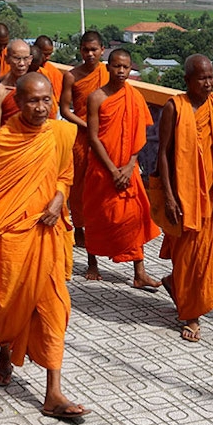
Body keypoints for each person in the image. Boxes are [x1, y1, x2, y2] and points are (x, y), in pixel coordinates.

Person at [0, 73, 84, 420]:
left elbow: (65, 175)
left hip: (47, 235)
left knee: (54, 309)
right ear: (19, 103)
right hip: (11, 239)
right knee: (7, 306)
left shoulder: (60, 133)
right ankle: (5, 354)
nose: (41, 107)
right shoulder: (4, 140)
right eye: (33, 101)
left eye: (46, 100)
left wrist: (59, 198)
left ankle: (53, 392)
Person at [157, 54, 213, 343]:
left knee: (207, 258)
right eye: (201, 78)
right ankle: (191, 314)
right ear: (187, 80)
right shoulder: (175, 108)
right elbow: (163, 155)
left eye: (211, 77)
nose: (208, 83)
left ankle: (176, 286)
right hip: (186, 196)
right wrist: (169, 197)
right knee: (189, 256)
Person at [83, 49, 162, 288]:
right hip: (102, 168)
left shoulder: (134, 97)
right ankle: (92, 262)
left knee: (134, 216)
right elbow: (93, 137)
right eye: (116, 66)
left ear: (130, 69)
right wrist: (112, 170)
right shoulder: (96, 97)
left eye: (125, 67)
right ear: (108, 67)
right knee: (97, 215)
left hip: (128, 169)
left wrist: (129, 166)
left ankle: (139, 272)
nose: (121, 71)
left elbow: (139, 136)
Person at [60, 30, 109, 259]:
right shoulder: (72, 76)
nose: (90, 54)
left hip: (105, 135)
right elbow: (65, 110)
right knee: (79, 185)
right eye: (85, 50)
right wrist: (87, 126)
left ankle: (99, 228)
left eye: (94, 50)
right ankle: (79, 227)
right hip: (81, 137)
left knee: (101, 183)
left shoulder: (108, 73)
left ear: (102, 50)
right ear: (80, 50)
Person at [0, 39, 34, 135]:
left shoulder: (35, 88)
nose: (21, 64)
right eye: (17, 58)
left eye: (25, 58)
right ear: (7, 59)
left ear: (30, 59)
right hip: (8, 141)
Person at [34, 35, 64, 104]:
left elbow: (58, 100)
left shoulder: (54, 73)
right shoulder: (22, 69)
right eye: (45, 54)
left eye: (50, 54)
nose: (48, 58)